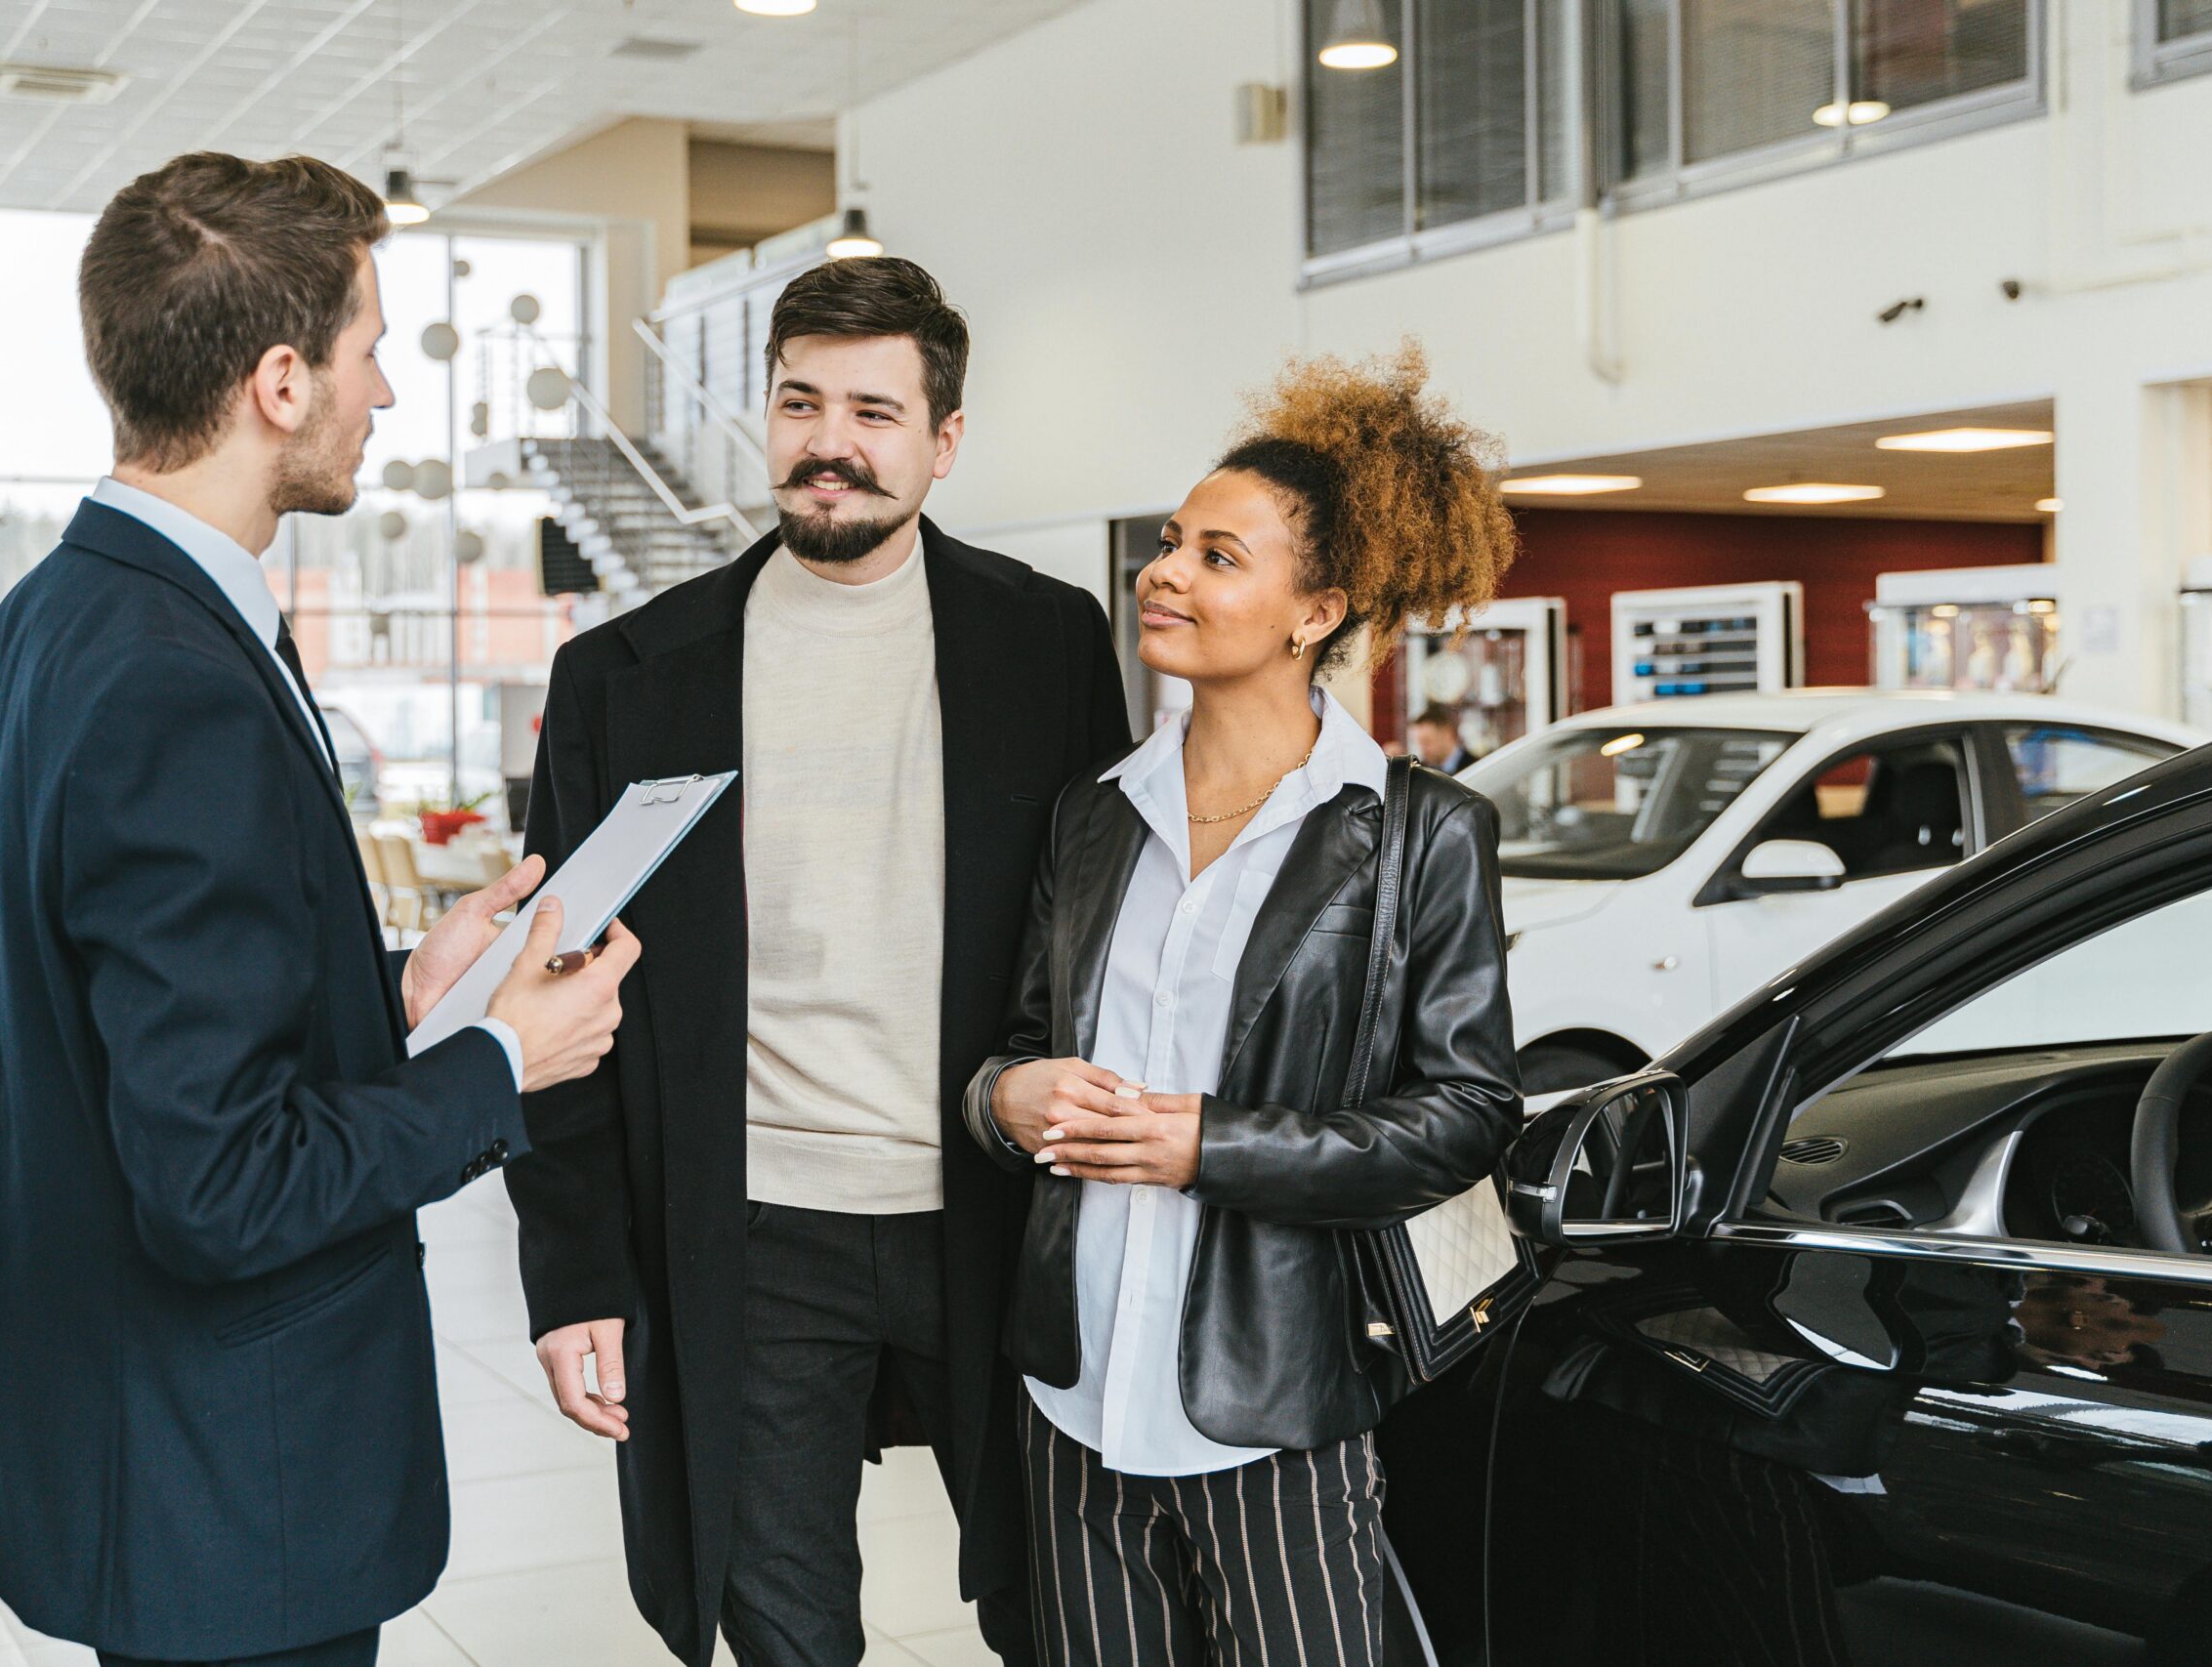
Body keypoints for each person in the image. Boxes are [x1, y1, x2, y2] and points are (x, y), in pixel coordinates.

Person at [0, 152, 641, 1667]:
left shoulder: (57, 613)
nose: (384, 392)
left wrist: (399, 991)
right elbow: (218, 1186)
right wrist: (495, 1061)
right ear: (279, 379)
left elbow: (138, 1010)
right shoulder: (173, 676)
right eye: (369, 350)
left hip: (149, 1458)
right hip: (231, 1490)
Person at [504, 255, 1133, 1667]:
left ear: (943, 438)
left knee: (1067, 1606)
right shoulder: (625, 675)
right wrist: (572, 1270)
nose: (828, 442)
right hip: (749, 1227)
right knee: (785, 1626)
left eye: (872, 408)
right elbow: (553, 991)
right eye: (799, 401)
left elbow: (1102, 937)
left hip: (995, 1208)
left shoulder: (1048, 643)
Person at [963, 342, 1523, 1664]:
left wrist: (1207, 1143)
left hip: (1274, 1391)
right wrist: (1003, 1094)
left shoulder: (1415, 832)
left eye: (1220, 555)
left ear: (1313, 609)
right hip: (1075, 1383)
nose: (1165, 572)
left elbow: (1466, 1112)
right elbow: (1026, 1043)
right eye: (1170, 542)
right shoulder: (1097, 815)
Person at [1409, 698, 1480, 773]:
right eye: (1420, 743)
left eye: (1427, 741)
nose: (1423, 749)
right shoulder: (1420, 772)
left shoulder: (1477, 767)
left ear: (1447, 735)